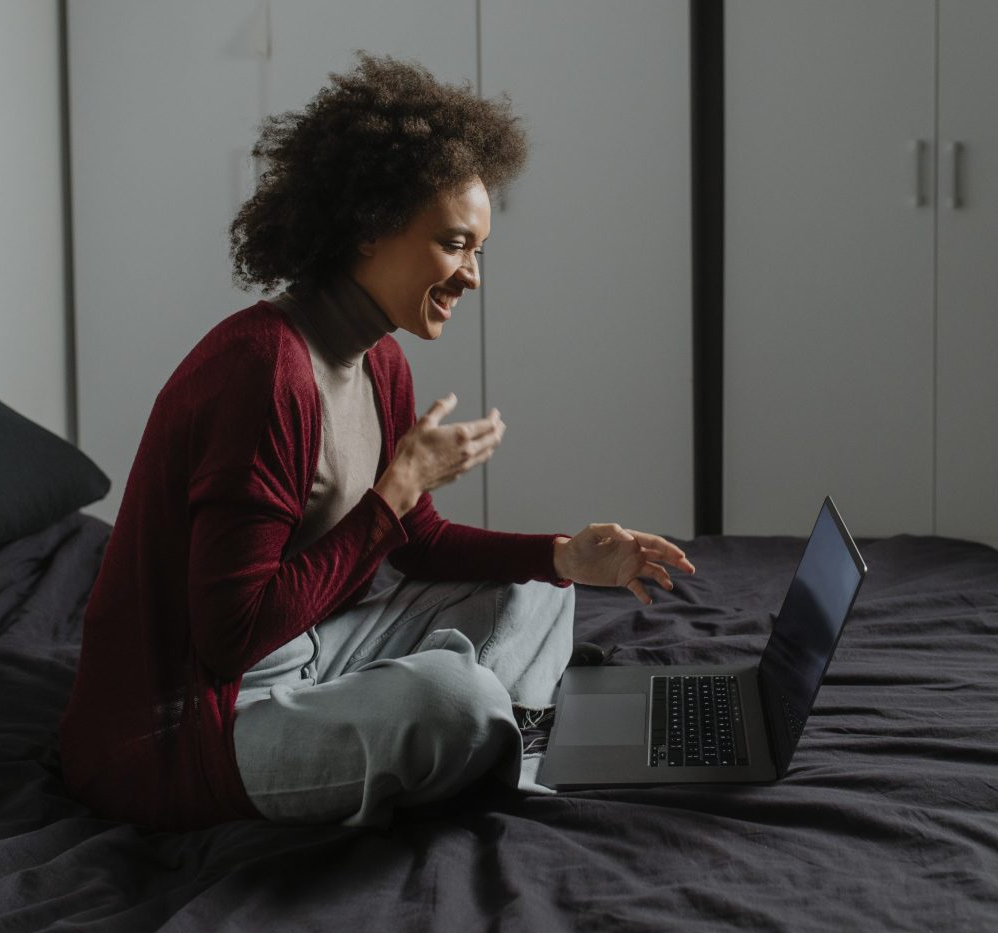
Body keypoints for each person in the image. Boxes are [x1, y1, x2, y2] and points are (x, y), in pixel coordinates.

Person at [58, 54, 696, 831]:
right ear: (369, 227)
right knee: (456, 703)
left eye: (479, 251)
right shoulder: (264, 375)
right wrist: (398, 485)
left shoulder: (378, 358)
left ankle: (475, 733)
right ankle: (476, 727)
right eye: (456, 243)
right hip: (196, 726)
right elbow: (228, 642)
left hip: (314, 645)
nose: (472, 276)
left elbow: (414, 546)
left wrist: (565, 556)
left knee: (539, 592)